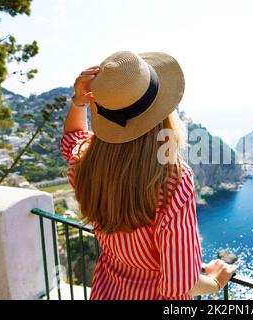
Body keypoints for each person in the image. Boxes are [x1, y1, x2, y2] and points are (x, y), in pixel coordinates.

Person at [60, 50, 236, 300]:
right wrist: (217, 281)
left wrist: (78, 102)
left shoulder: (84, 162)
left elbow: (71, 138)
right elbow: (180, 283)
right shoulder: (172, 180)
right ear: (162, 113)